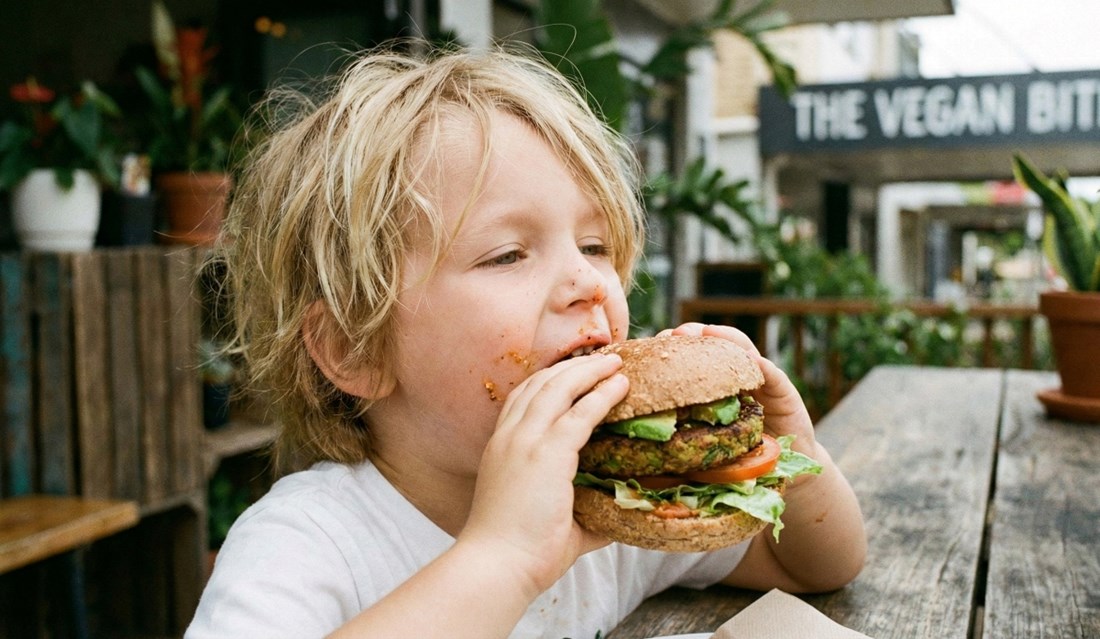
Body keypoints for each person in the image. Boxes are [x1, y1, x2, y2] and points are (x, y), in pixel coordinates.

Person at [186, 42, 866, 639]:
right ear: (355, 349)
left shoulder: (618, 501)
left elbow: (811, 564)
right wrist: (503, 558)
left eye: (596, 245)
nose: (588, 282)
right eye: (509, 253)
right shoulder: (308, 543)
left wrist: (789, 459)